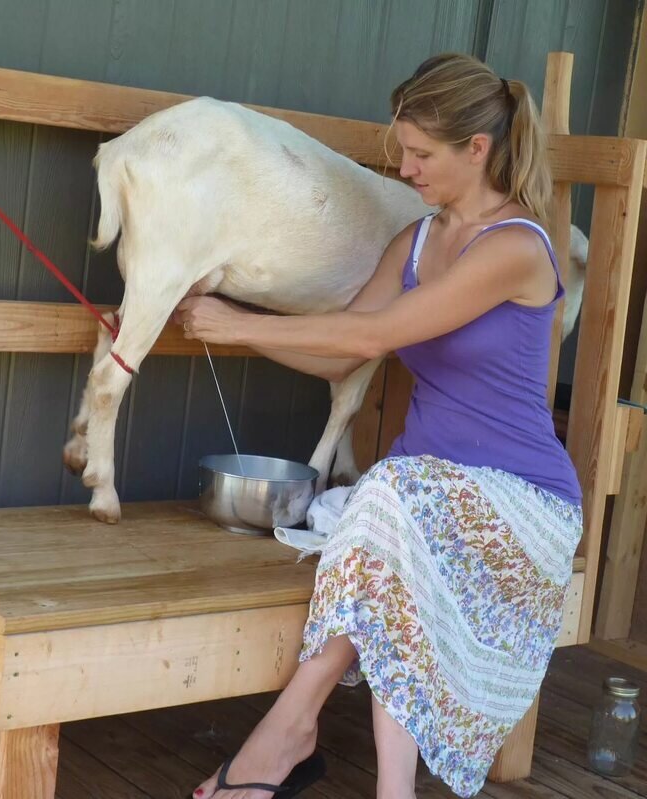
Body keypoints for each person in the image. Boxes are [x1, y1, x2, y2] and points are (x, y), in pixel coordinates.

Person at [175, 52, 583, 799]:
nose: (404, 168)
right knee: (388, 530)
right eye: (403, 149)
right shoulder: (417, 242)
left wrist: (233, 324)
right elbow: (340, 361)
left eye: (421, 153)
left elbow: (370, 337)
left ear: (478, 149)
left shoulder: (517, 247)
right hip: (413, 508)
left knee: (387, 502)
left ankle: (285, 734)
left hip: (519, 504)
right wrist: (228, 322)